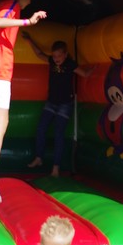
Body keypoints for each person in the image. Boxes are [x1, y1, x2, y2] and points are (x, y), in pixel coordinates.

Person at [0, 0, 47, 202]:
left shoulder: (3, 5)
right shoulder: (12, 5)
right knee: (1, 122)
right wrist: (28, 21)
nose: (30, 1)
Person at [24, 35, 94, 176]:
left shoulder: (70, 64)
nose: (56, 59)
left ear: (65, 54)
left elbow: (85, 74)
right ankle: (39, 158)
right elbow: (39, 54)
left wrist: (94, 68)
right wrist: (30, 40)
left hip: (65, 104)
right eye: (54, 56)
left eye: (59, 56)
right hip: (51, 102)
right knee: (41, 129)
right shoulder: (52, 61)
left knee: (58, 134)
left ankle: (56, 167)